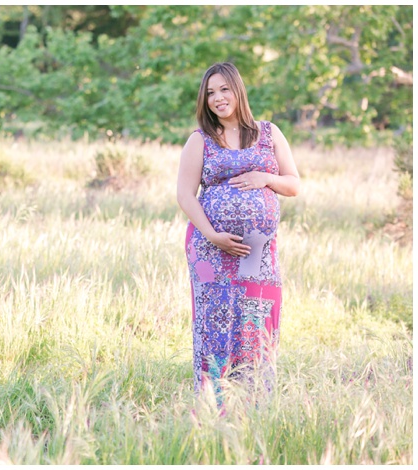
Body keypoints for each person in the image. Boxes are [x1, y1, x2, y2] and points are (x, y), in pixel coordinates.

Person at [176, 62, 300, 405]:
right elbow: (185, 195)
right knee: (215, 324)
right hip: (209, 249)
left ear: (238, 90)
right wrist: (213, 234)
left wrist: (266, 179)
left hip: (258, 251)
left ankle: (255, 403)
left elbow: (293, 184)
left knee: (256, 319)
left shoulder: (269, 133)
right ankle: (214, 404)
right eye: (210, 93)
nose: (218, 98)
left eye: (224, 89)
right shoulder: (199, 140)